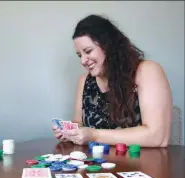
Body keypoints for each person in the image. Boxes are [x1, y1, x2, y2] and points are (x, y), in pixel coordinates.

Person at [52, 14, 172, 147]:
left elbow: (157, 137)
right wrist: (70, 132)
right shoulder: (84, 81)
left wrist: (95, 135)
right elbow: (78, 122)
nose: (83, 61)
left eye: (88, 51)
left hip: (140, 164)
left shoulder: (147, 71)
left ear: (108, 46)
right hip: (95, 165)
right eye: (80, 55)